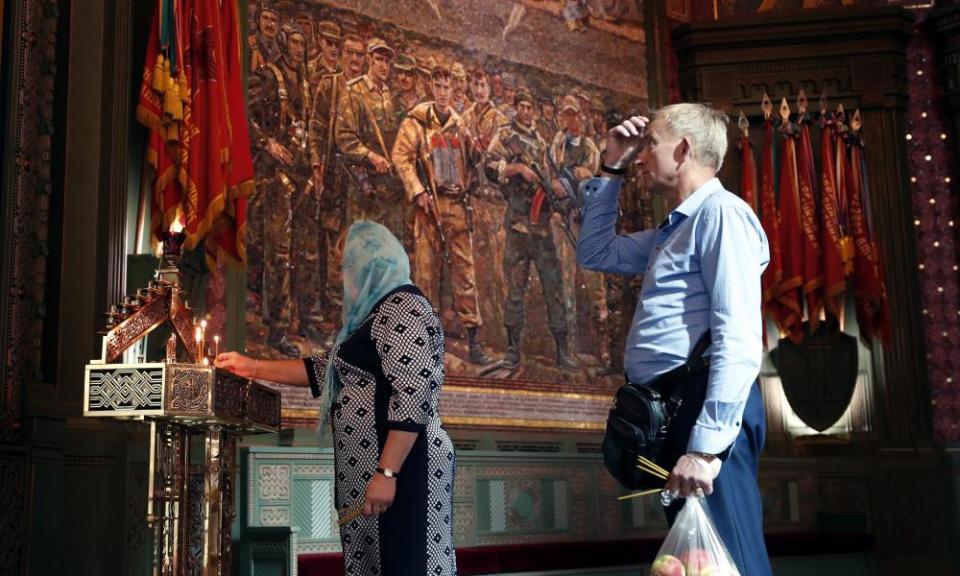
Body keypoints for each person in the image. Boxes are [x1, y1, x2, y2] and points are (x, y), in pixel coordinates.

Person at [576, 103, 772, 575]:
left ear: (683, 149)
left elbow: (739, 336)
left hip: (705, 408)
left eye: (650, 146)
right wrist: (611, 166)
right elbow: (595, 251)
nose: (642, 157)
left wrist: (705, 449)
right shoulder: (678, 227)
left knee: (729, 559)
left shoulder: (722, 215)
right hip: (674, 410)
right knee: (701, 565)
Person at [216, 221, 457, 576]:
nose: (343, 276)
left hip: (406, 467)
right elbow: (328, 369)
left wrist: (386, 472)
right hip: (374, 470)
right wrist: (252, 367)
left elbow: (413, 390)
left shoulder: (403, 306)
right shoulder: (373, 314)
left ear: (371, 262)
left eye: (347, 264)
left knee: (407, 562)